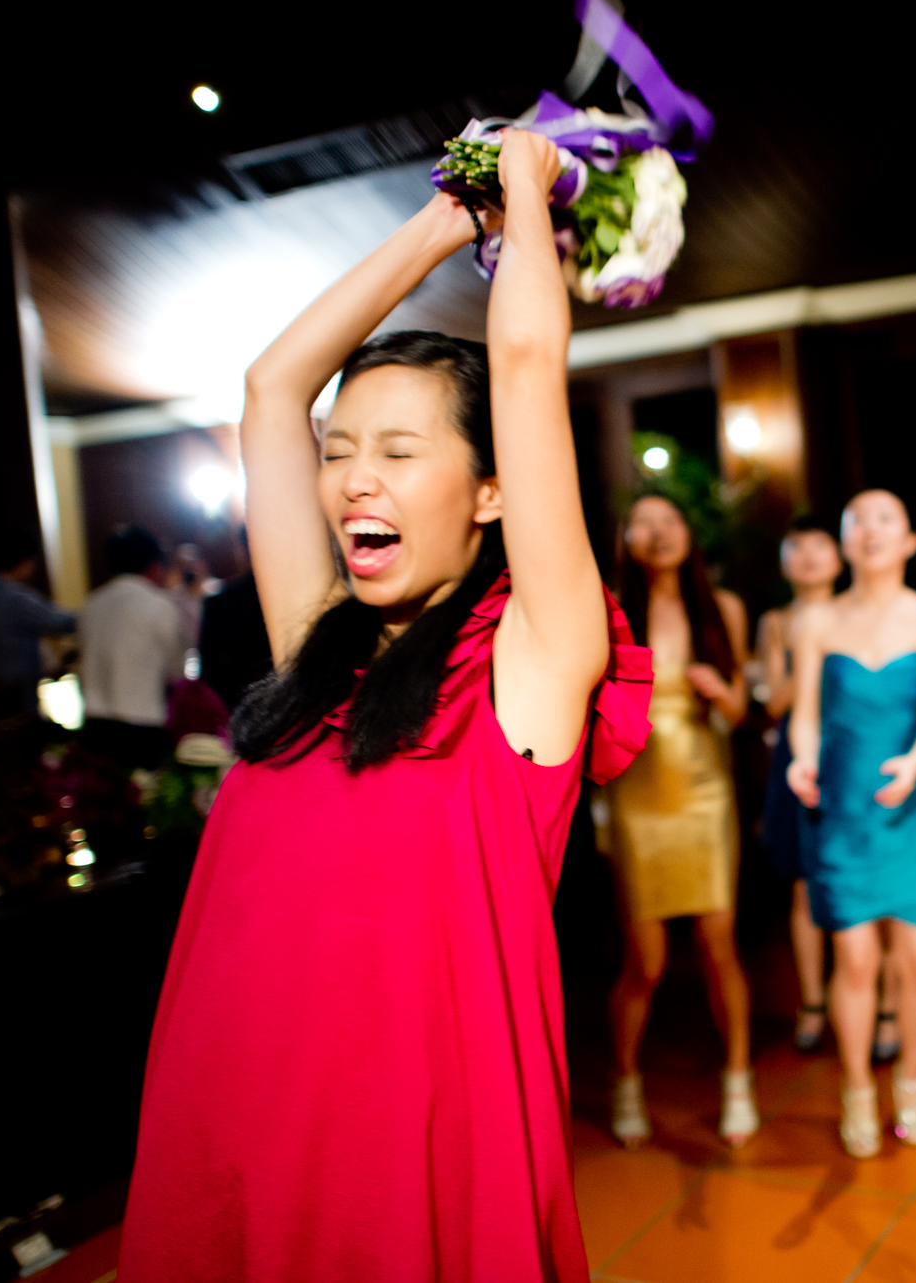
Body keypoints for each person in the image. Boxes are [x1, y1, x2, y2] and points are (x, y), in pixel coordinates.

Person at [117, 131, 652, 1282]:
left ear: (491, 491)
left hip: (408, 1149)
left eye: (400, 452)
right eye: (343, 450)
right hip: (237, 1105)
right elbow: (272, 389)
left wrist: (524, 188)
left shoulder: (532, 660)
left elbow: (522, 369)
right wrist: (442, 222)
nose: (356, 476)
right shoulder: (313, 648)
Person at [787, 489, 916, 1159]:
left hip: (914, 804)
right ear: (845, 541)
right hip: (843, 811)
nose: (870, 529)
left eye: (886, 517)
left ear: (909, 540)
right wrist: (802, 760)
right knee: (855, 959)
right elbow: (806, 714)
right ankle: (857, 1084)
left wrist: (914, 763)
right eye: (856, 519)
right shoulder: (817, 620)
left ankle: (912, 1075)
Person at [602, 492, 759, 1149]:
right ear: (627, 537)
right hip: (637, 794)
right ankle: (626, 1080)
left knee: (719, 945)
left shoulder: (722, 608)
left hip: (705, 790)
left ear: (689, 534)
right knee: (646, 959)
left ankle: (738, 1079)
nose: (658, 532)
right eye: (644, 522)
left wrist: (722, 692)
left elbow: (741, 711)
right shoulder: (607, 611)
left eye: (669, 520)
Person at [753, 515, 843, 1052]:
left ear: (839, 556)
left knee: (857, 876)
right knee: (803, 884)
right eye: (796, 547)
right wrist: (807, 643)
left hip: (850, 750)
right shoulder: (776, 622)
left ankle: (876, 1000)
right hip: (797, 755)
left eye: (819, 546)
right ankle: (812, 1000)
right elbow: (774, 702)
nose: (808, 556)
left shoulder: (856, 611)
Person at [77, 526, 189, 769]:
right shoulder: (159, 605)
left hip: (94, 726)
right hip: (142, 728)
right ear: (154, 566)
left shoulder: (91, 604)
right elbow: (177, 672)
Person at [0, 536, 76, 716]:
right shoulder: (14, 599)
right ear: (24, 562)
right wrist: (99, 610)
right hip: (14, 703)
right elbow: (63, 622)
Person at [198, 530, 274, 711]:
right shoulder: (296, 598)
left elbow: (208, 671)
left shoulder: (220, 603)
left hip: (238, 707)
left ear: (242, 550)